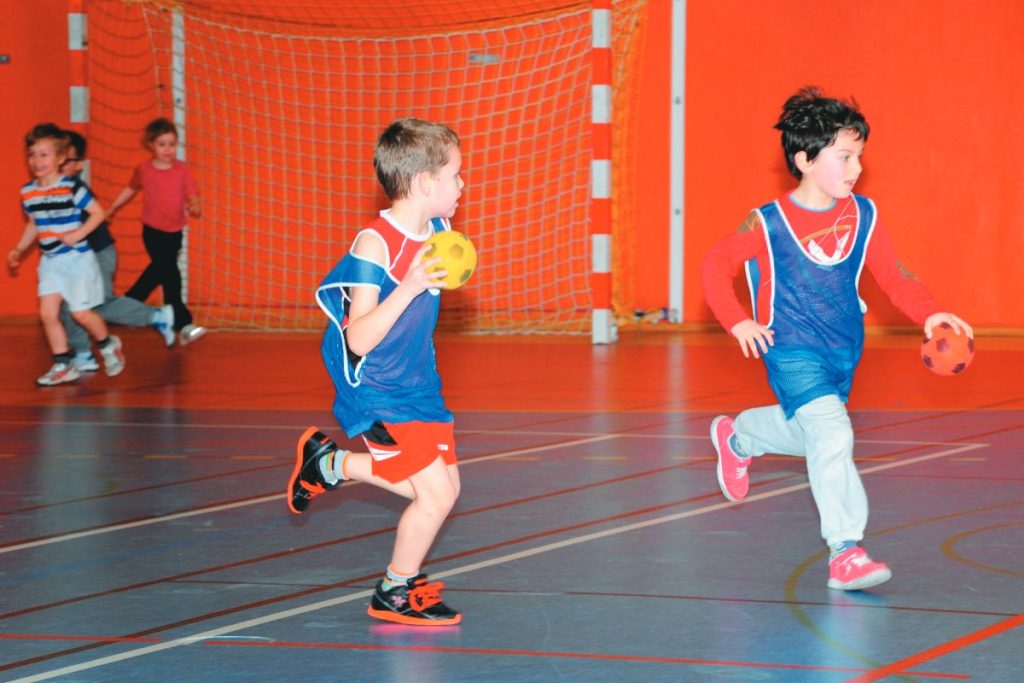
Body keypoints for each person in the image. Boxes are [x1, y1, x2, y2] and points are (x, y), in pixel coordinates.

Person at [701, 87, 973, 591]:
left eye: (860, 157)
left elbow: (894, 276)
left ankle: (739, 437)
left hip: (843, 349)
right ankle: (846, 550)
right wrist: (737, 320)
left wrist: (931, 313)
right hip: (789, 347)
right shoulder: (767, 223)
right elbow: (716, 266)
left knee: (814, 436)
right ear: (805, 159)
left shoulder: (864, 215)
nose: (856, 168)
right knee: (834, 435)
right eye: (844, 156)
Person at [287, 118, 465, 625]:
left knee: (442, 491)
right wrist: (408, 286)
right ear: (426, 182)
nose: (462, 185)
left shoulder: (438, 229)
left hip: (419, 385)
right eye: (455, 175)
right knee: (432, 496)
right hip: (376, 387)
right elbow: (359, 337)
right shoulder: (375, 244)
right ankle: (394, 590)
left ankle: (330, 466)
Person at [7, 123, 126, 386]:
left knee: (80, 314)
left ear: (61, 158)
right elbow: (33, 223)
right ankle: (63, 364)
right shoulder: (28, 192)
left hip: (77, 260)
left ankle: (108, 343)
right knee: (48, 314)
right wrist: (19, 249)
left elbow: (98, 213)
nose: (37, 160)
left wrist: (78, 234)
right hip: (50, 262)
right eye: (32, 154)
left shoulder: (73, 187)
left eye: (44, 154)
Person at [57, 130, 176, 373]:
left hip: (98, 253)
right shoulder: (51, 189)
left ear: (78, 165)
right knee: (69, 304)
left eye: (64, 159)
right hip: (77, 259)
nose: (57, 164)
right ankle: (82, 354)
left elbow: (92, 218)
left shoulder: (73, 190)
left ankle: (155, 316)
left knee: (96, 304)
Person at [107, 117, 206, 345]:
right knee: (171, 275)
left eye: (172, 144)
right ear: (151, 145)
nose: (168, 149)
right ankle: (184, 324)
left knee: (157, 273)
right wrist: (112, 207)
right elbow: (130, 188)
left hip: (174, 232)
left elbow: (193, 196)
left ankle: (125, 306)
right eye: (162, 144)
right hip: (152, 231)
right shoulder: (144, 169)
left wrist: (196, 206)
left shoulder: (182, 171)